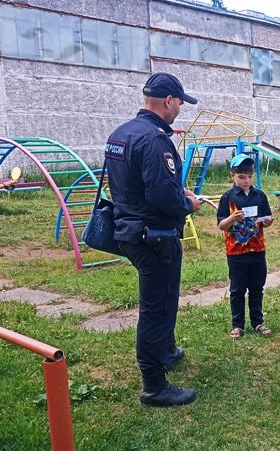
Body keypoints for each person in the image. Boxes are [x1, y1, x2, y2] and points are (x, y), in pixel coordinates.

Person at [105, 72, 202, 407]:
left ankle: (166, 350)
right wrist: (187, 203)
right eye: (180, 103)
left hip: (130, 231)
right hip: (154, 236)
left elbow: (132, 185)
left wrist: (177, 190)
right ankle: (154, 384)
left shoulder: (121, 134)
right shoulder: (155, 140)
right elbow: (162, 197)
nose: (180, 110)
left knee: (161, 299)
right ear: (168, 101)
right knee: (157, 307)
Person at [217, 153, 274, 339]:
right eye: (241, 176)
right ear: (232, 175)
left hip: (257, 250)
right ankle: (237, 325)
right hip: (236, 252)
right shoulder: (228, 198)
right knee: (237, 290)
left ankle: (257, 322)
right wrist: (232, 218)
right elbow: (221, 225)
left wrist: (267, 222)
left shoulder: (260, 196)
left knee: (257, 288)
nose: (246, 180)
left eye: (249, 176)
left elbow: (266, 219)